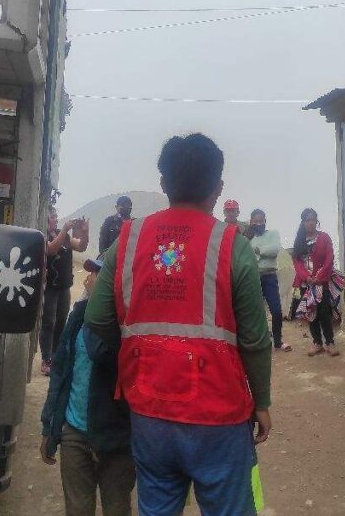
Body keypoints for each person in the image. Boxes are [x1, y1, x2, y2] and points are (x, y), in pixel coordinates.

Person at [86, 133, 272, 516]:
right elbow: (255, 339)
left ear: (163, 183)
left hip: (149, 412)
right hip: (219, 415)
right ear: (219, 187)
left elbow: (97, 317)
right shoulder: (231, 243)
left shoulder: (129, 237)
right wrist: (263, 402)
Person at [40, 258, 134, 516]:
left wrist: (97, 312)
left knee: (117, 509)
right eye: (90, 273)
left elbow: (99, 352)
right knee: (78, 510)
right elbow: (60, 371)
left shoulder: (128, 326)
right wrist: (49, 425)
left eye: (96, 274)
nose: (87, 279)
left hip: (116, 440)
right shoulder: (78, 316)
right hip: (75, 433)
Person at [41, 207, 88, 376]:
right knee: (48, 323)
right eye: (52, 217)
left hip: (64, 287)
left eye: (55, 216)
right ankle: (46, 360)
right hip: (50, 288)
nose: (55, 219)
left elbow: (81, 247)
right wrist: (65, 230)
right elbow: (51, 249)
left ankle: (55, 356)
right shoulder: (43, 237)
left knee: (61, 321)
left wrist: (84, 233)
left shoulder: (65, 237)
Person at [292, 208, 339, 357]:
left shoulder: (324, 237)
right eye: (307, 220)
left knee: (324, 312)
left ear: (316, 221)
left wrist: (320, 276)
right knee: (311, 313)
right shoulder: (299, 241)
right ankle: (317, 342)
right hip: (306, 284)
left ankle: (329, 342)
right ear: (303, 222)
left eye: (313, 219)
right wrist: (306, 277)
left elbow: (329, 258)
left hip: (321, 283)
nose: (310, 222)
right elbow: (297, 262)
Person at [248, 209, 291, 352]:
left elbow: (275, 250)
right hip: (254, 279)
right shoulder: (249, 240)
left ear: (265, 221)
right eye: (256, 221)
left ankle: (278, 342)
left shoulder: (273, 234)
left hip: (270, 277)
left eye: (261, 221)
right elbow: (250, 259)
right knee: (257, 313)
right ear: (251, 223)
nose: (259, 223)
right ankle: (262, 341)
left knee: (277, 311)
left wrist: (258, 251)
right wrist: (263, 252)